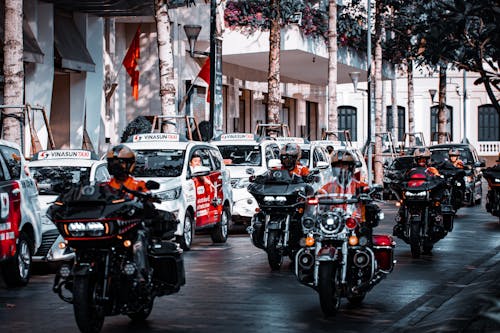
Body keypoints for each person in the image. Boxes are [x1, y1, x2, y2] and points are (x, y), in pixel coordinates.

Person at [106, 144, 150, 283]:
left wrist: (147, 197)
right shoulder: (105, 185)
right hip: (112, 226)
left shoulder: (137, 184)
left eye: (120, 162)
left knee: (139, 239)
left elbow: (146, 196)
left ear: (129, 164)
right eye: (113, 162)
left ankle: (141, 274)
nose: (116, 166)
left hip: (131, 225)